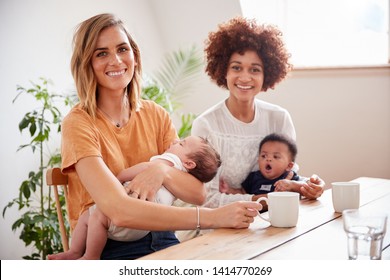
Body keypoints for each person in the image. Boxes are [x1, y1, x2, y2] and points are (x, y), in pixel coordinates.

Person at [57, 13, 262, 260]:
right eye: (101, 53)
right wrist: (214, 217)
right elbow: (118, 211)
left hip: (164, 238)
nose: (116, 60)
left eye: (123, 49)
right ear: (86, 63)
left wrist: (160, 171)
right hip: (109, 246)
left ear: (134, 55)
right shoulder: (78, 123)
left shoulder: (155, 114)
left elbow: (196, 193)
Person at [175, 17, 325, 241]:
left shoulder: (279, 118)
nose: (245, 77)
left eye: (255, 69)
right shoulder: (206, 124)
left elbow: (287, 178)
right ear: (223, 71)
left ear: (266, 75)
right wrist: (260, 199)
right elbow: (206, 197)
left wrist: (308, 187)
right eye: (236, 67)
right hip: (218, 228)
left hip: (270, 224)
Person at [49, 136, 221, 260]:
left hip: (136, 213)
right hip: (147, 223)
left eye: (181, 143)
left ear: (189, 164)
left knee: (93, 216)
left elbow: (148, 167)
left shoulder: (171, 160)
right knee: (94, 216)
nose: (175, 141)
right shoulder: (183, 170)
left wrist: (121, 176)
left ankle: (88, 255)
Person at [220, 133, 309, 196]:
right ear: (258, 160)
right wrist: (229, 190)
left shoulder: (289, 178)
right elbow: (244, 194)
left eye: (276, 156)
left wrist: (292, 185)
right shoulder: (253, 177)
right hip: (258, 218)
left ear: (289, 166)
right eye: (264, 156)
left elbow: (305, 188)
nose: (268, 159)